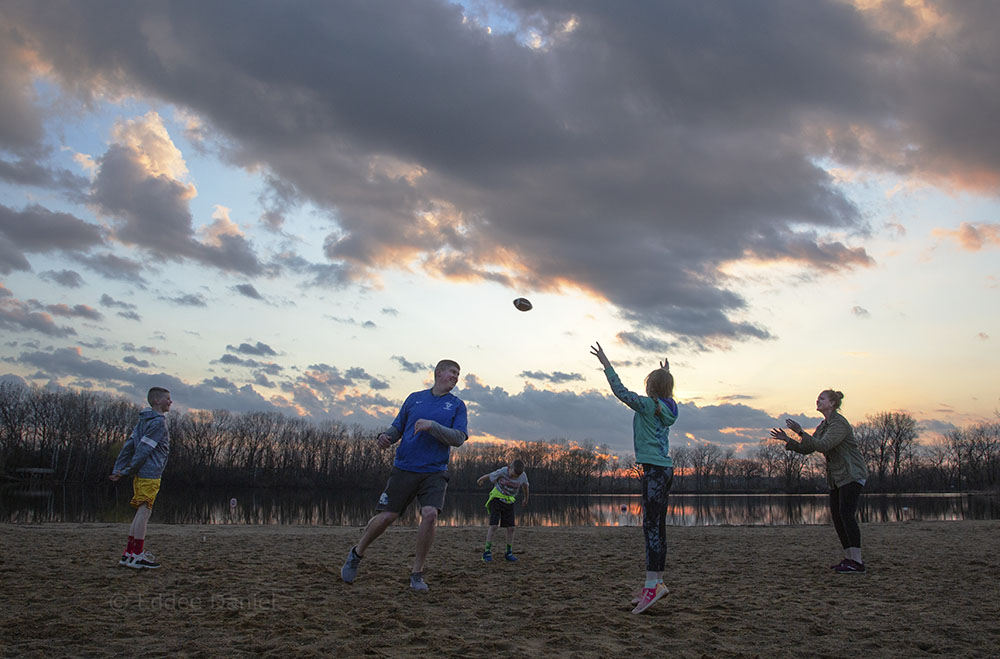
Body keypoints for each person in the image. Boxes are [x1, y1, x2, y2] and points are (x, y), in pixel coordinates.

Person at [341, 359, 468, 592]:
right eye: (452, 372)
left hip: (435, 471)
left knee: (430, 514)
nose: (456, 377)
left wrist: (432, 426)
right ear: (438, 373)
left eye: (458, 374)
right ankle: (357, 553)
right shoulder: (414, 398)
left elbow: (459, 438)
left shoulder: (457, 406)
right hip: (405, 468)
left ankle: (417, 573)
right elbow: (397, 427)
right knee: (387, 517)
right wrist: (385, 437)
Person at [590, 342, 677, 614]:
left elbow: (621, 392)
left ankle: (653, 585)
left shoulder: (647, 406)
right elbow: (667, 394)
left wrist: (606, 364)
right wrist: (667, 373)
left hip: (654, 471)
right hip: (664, 470)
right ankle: (656, 582)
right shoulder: (670, 406)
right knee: (656, 527)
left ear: (651, 387)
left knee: (651, 528)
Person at [771, 389, 869, 573]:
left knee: (846, 514)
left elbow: (823, 446)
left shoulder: (839, 424)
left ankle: (857, 561)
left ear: (832, 403)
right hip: (837, 478)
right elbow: (809, 448)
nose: (818, 400)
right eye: (818, 398)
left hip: (852, 474)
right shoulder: (824, 425)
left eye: (822, 398)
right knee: (838, 517)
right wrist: (788, 440)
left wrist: (800, 431)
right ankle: (849, 559)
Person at [109, 387, 173, 569]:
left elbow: (128, 446)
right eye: (168, 399)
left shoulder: (143, 421)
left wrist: (119, 468)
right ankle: (137, 554)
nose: (171, 402)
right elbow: (143, 450)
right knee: (145, 512)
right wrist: (127, 470)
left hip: (141, 474)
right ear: (157, 401)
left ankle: (129, 553)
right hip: (150, 474)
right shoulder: (158, 422)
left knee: (140, 511)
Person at [477, 459, 529, 563]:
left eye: (516, 477)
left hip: (509, 501)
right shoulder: (503, 471)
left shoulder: (523, 476)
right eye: (513, 475)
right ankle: (487, 552)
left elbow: (525, 486)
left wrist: (526, 498)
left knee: (511, 528)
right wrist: (480, 479)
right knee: (494, 525)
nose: (514, 477)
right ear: (509, 468)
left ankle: (508, 552)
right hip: (496, 498)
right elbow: (490, 475)